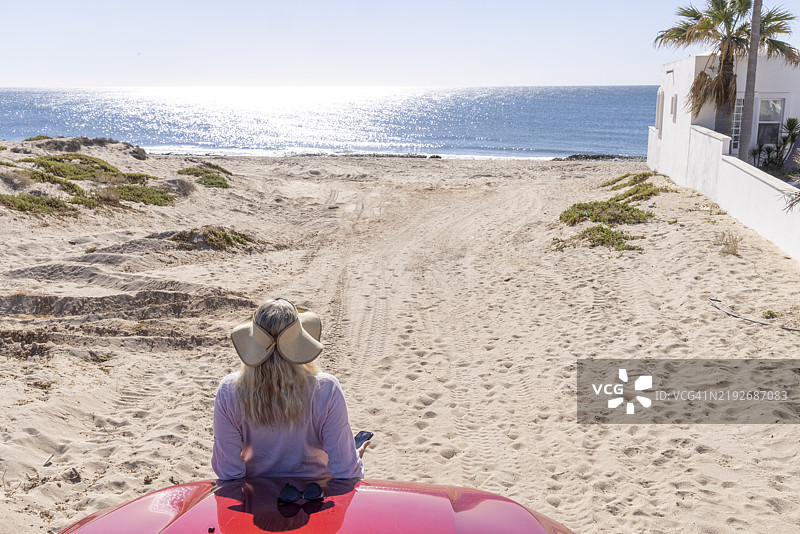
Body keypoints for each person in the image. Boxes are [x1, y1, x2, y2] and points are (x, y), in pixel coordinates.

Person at [212, 298, 368, 481]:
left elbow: (227, 472)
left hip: (256, 502)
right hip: (315, 499)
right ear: (299, 341)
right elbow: (347, 471)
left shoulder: (229, 390)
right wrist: (354, 454)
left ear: (254, 341)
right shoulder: (326, 389)